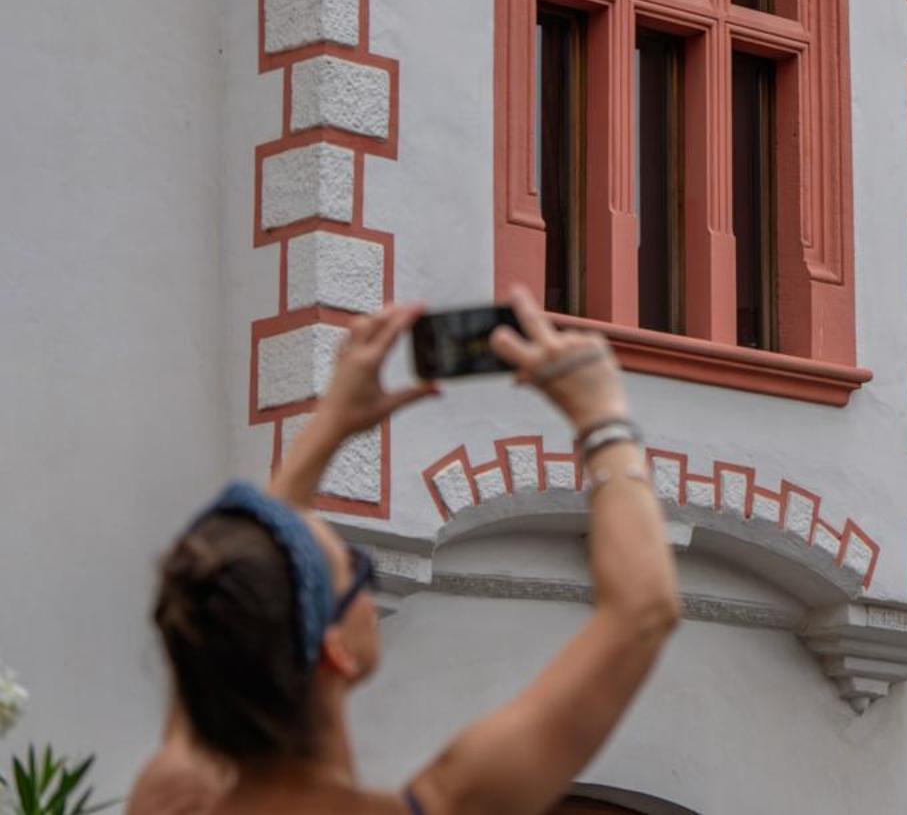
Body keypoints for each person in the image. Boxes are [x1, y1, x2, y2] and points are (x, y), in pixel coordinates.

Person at [130, 287, 681, 815]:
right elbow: (642, 612)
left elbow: (225, 617)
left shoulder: (170, 797)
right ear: (337, 651)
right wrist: (602, 416)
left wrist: (330, 425)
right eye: (356, 568)